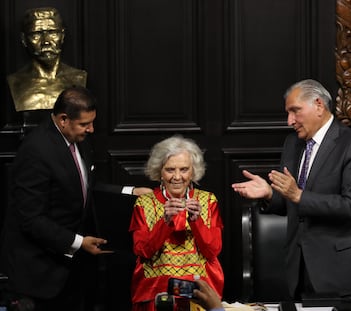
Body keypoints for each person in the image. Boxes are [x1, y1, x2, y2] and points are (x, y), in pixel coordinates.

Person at [0, 86, 150, 311]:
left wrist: (129, 192)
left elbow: (84, 188)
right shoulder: (35, 151)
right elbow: (31, 219)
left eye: (92, 123)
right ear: (63, 119)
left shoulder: (77, 139)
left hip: (69, 271)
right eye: (84, 124)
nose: (91, 130)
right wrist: (79, 243)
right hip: (38, 276)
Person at [232, 79, 351, 299]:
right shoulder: (292, 144)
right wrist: (271, 194)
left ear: (319, 105)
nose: (289, 120)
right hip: (300, 268)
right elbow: (290, 204)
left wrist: (298, 194)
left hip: (342, 272)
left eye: (295, 111)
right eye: (288, 113)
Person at [129, 135, 224, 311]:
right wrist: (165, 222)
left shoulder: (207, 200)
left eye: (184, 169)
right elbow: (142, 251)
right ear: (159, 172)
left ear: (193, 171)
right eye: (170, 170)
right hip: (155, 290)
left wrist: (197, 222)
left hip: (199, 290)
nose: (177, 177)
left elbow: (213, 251)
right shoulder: (144, 202)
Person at [7, 7, 87, 112]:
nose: (46, 41)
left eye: (52, 33)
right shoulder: (14, 83)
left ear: (62, 35)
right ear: (24, 39)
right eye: (36, 34)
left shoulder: (79, 78)